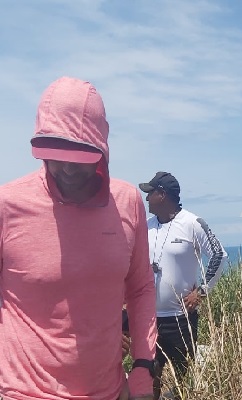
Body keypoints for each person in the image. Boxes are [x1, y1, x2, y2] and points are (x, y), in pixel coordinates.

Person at [0, 77, 157, 399]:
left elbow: (140, 287)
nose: (67, 170)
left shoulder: (127, 202)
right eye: (55, 155)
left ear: (102, 151)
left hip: (110, 390)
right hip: (23, 391)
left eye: (79, 159)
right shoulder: (8, 205)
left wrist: (143, 366)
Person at [139, 171, 228, 399]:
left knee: (183, 381)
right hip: (149, 319)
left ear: (162, 194)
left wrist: (201, 292)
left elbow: (219, 256)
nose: (146, 199)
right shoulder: (144, 227)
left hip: (181, 318)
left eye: (150, 194)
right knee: (149, 377)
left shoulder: (192, 223)